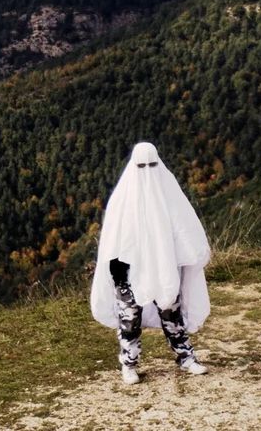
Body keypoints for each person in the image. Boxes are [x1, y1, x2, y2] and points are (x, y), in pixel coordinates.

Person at [90, 141, 211, 385]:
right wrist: (119, 276)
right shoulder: (122, 201)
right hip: (127, 270)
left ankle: (186, 358)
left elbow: (184, 228)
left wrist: (189, 255)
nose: (147, 171)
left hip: (164, 265)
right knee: (130, 317)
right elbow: (113, 241)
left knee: (171, 312)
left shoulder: (168, 194)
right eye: (142, 166)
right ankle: (129, 364)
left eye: (151, 165)